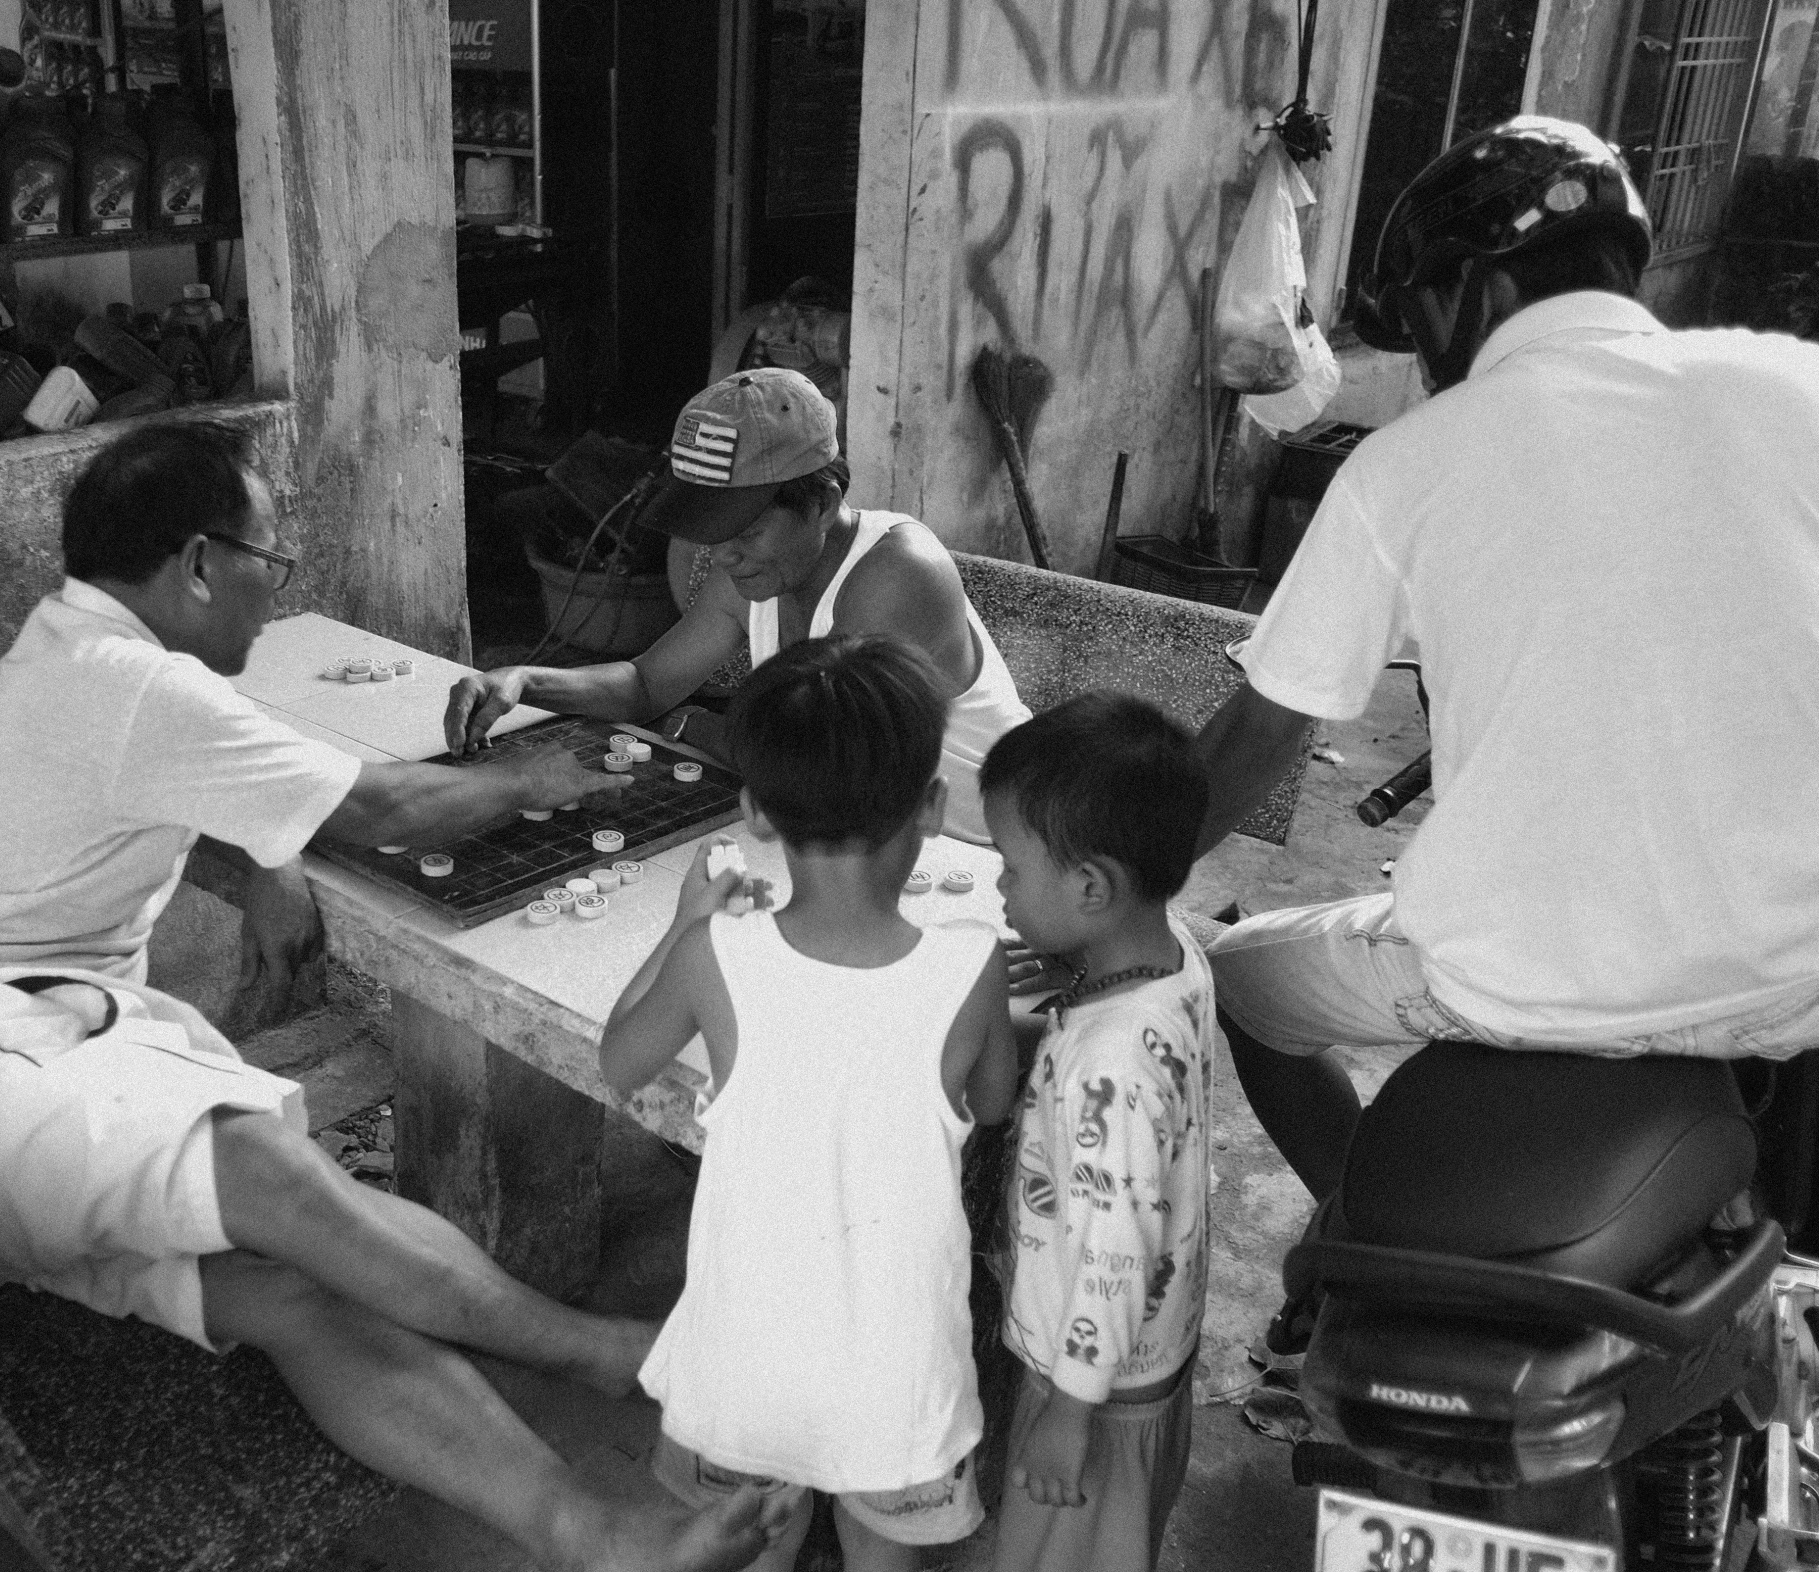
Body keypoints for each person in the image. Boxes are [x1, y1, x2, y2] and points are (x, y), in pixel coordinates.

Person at [0, 420, 779, 1572]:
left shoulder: (80, 659)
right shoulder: (128, 682)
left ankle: (593, 1534)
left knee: (293, 1291)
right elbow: (395, 809)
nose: (273, 590)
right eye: (269, 559)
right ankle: (606, 1355)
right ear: (200, 561)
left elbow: (187, 784)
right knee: (257, 1161)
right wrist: (533, 775)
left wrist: (270, 860)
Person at [1187, 116, 1819, 1207]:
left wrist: (1124, 881)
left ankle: (1351, 1239)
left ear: (1460, 294)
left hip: (1521, 986)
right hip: (1795, 980)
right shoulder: (1794, 382)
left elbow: (1261, 734)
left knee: (1239, 981)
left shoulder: (1406, 465)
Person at [598, 634, 1019, 1572]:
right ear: (935, 806)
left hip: (746, 1371)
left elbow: (622, 1061)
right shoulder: (970, 963)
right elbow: (992, 1103)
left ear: (753, 812)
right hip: (896, 1383)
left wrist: (683, 927)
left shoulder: (721, 959)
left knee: (751, 1553)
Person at [445, 368, 1031, 844]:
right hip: (868, 843)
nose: (723, 556)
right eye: (712, 531)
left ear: (823, 503)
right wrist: (522, 681)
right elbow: (646, 684)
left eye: (744, 530)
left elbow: (819, 773)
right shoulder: (757, 569)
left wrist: (689, 722)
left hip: (981, 852)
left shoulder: (895, 574)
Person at [979, 693, 1215, 1572]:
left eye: (1010, 868)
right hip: (1153, 1359)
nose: (1001, 888)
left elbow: (1114, 1248)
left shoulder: (1111, 1067)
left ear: (1091, 890)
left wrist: (1067, 1413)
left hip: (1095, 1392)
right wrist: (1074, 956)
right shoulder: (1175, 953)